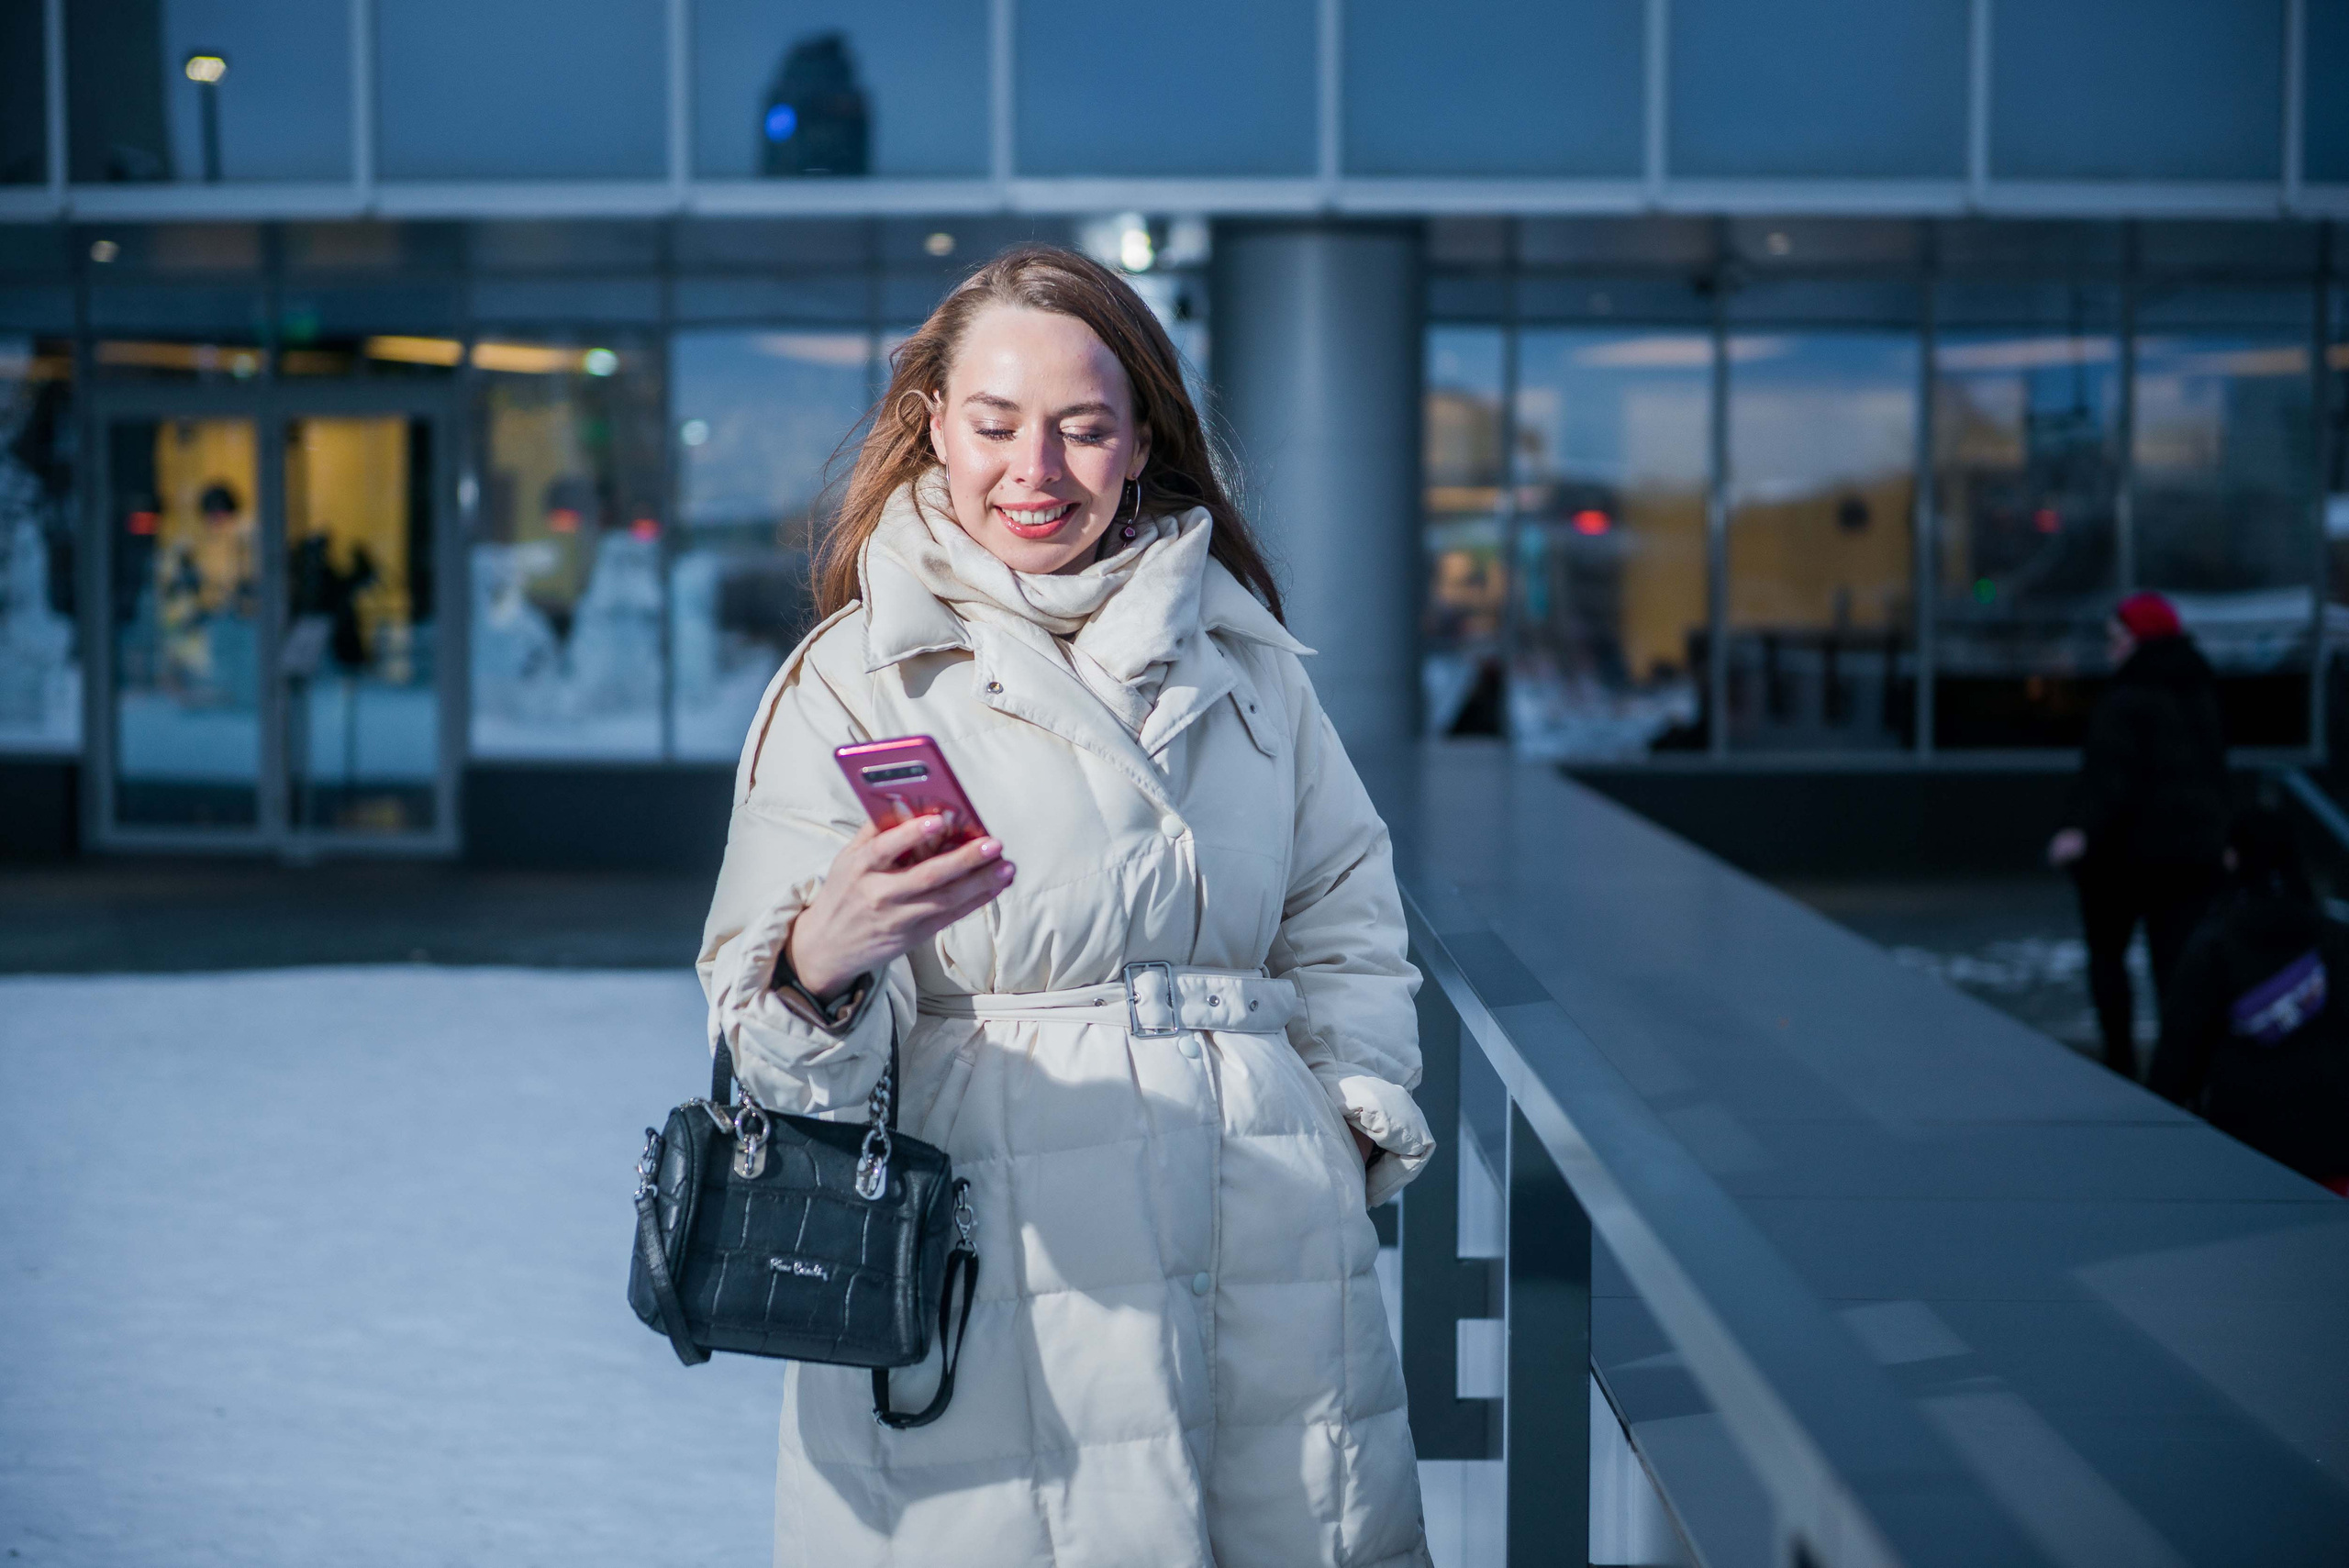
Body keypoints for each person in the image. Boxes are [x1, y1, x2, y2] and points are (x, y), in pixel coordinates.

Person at [698, 246, 1437, 1568]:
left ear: (1144, 435)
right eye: (995, 425)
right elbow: (766, 1051)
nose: (1035, 470)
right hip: (994, 1264)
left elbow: (1343, 905)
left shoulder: (1250, 661)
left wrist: (1343, 1119)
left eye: (1084, 426)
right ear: (933, 421)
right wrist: (822, 959)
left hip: (1265, 1256)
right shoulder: (855, 679)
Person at [2047, 592, 2229, 1075]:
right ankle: (2179, 1074)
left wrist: (2079, 833)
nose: (2111, 650)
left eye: (2116, 639)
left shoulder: (2125, 699)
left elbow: (2110, 780)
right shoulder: (2200, 691)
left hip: (2123, 859)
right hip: (2189, 857)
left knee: (2109, 960)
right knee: (2175, 967)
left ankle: (2122, 1067)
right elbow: (2214, 774)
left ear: (2138, 640)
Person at [2147, 809, 2349, 1195]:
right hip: (2336, 1144)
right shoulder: (2335, 940)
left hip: (2244, 1144)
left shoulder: (2215, 945)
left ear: (2234, 858)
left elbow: (2178, 1049)